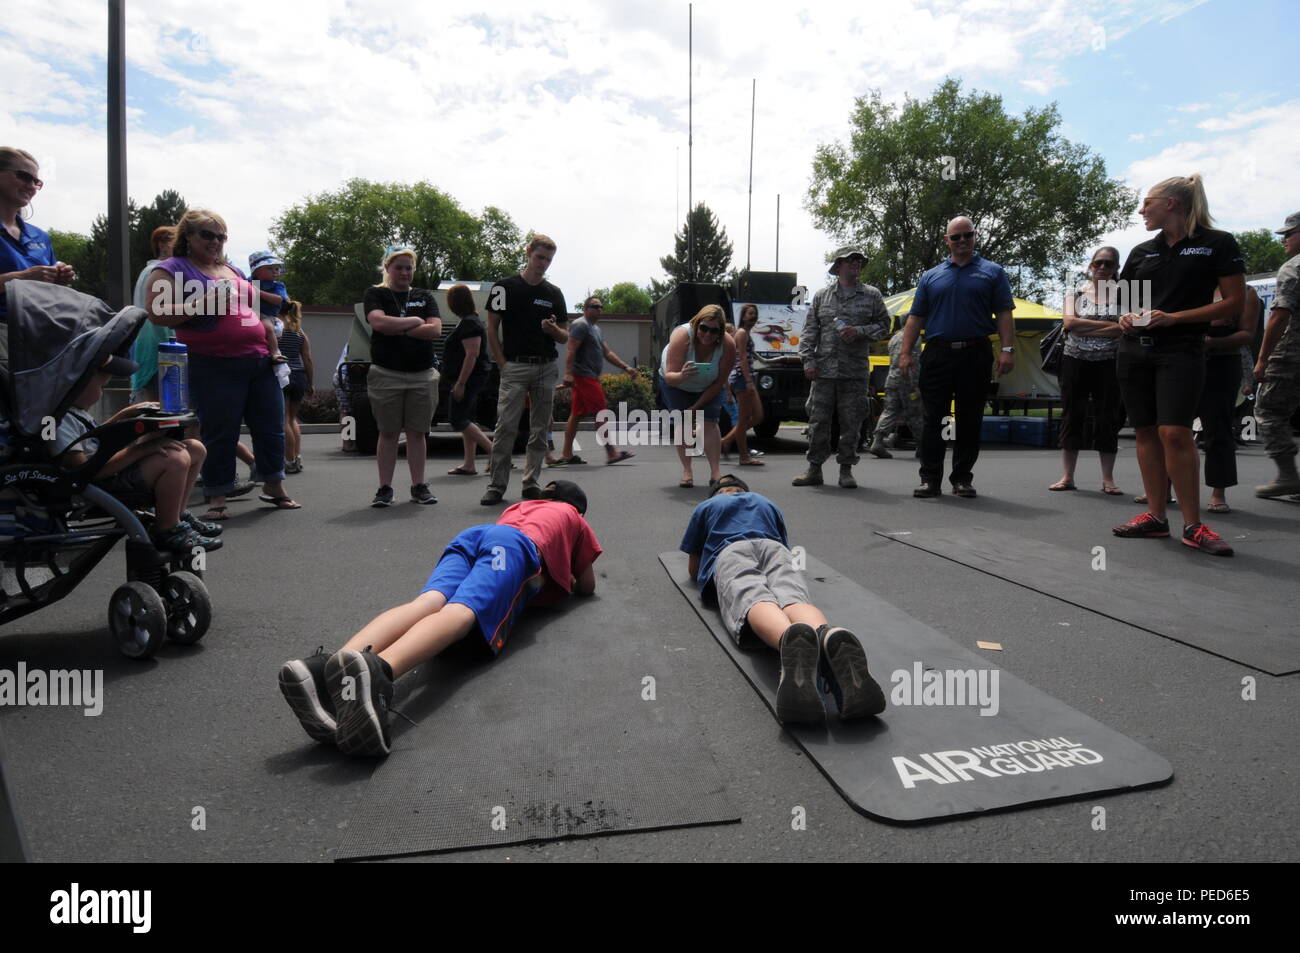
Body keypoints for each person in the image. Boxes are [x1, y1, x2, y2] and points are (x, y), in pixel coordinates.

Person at [278, 480, 601, 756]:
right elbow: (586, 585)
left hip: (473, 536)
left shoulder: (521, 508)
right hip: (513, 548)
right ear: (579, 510)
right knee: (464, 609)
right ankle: (379, 672)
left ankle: (322, 672)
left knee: (427, 603)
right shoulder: (574, 517)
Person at [679, 474, 886, 725]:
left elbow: (694, 565)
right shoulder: (766, 503)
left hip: (730, 551)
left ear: (716, 493)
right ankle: (825, 635)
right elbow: (783, 542)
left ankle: (788, 639)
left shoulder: (707, 506)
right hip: (774, 548)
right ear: (744, 490)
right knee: (792, 597)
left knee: (752, 595)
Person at [1111, 175, 1244, 556]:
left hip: (1182, 349)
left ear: (1170, 203)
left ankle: (1193, 524)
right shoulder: (1141, 251)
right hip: (1134, 351)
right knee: (1145, 431)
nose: (1141, 210)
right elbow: (1125, 302)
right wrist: (1126, 317)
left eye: (1146, 203)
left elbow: (1233, 302)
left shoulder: (1216, 243)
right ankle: (1155, 517)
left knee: (1175, 432)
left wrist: (1174, 318)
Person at [146, 209, 300, 521]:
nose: (215, 241)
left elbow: (251, 309)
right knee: (220, 430)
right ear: (188, 236)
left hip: (259, 360)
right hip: (213, 362)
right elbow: (157, 311)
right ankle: (217, 495)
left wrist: (268, 332)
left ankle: (274, 485)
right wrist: (199, 304)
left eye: (221, 236)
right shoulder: (173, 268)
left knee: (271, 427)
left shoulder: (232, 270)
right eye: (207, 234)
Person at [49, 354, 221, 554]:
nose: (102, 392)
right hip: (101, 483)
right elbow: (85, 470)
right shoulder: (61, 421)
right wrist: (141, 449)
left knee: (195, 448)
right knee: (175, 459)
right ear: (75, 385)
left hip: (111, 472)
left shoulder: (75, 413)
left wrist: (126, 414)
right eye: (101, 387)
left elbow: (93, 438)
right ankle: (167, 528)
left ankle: (178, 514)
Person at [899, 218, 1016, 498]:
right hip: (938, 353)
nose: (962, 240)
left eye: (968, 235)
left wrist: (1007, 350)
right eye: (956, 237)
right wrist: (904, 353)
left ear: (975, 237)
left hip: (975, 352)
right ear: (946, 240)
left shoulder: (993, 272)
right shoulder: (931, 276)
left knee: (969, 418)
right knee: (935, 419)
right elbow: (916, 317)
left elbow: (1004, 313)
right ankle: (930, 479)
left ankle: (962, 478)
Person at [481, 235, 570, 505]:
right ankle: (496, 485)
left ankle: (531, 482)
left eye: (548, 260)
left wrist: (552, 329)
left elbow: (565, 336)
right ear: (529, 252)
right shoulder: (504, 287)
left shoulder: (553, 293)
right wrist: (502, 364)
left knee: (540, 428)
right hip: (514, 366)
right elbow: (491, 329)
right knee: (506, 426)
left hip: (544, 366)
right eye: (540, 257)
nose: (543, 264)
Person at [794, 247, 890, 489]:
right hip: (824, 371)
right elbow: (809, 332)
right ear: (839, 266)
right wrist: (808, 360)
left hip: (854, 372)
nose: (856, 263)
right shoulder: (822, 296)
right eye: (851, 260)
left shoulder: (872, 295)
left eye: (859, 260)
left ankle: (846, 470)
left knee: (852, 422)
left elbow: (885, 326)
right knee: (818, 422)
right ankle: (814, 468)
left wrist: (860, 331)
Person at [363, 245, 442, 507]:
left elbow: (435, 331)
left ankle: (419, 486)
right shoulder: (376, 293)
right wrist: (415, 322)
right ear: (387, 268)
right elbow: (378, 322)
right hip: (386, 374)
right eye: (399, 267)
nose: (405, 272)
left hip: (422, 375)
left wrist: (397, 327)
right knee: (388, 433)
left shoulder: (424, 296)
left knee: (418, 433)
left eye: (409, 267)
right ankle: (384, 488)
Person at [1050, 247, 1126, 494]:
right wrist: (1108, 326)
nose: (1102, 268)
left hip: (1109, 363)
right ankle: (1067, 476)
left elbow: (1125, 329)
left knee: (1108, 416)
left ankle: (1108, 479)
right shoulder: (1076, 292)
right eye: (1098, 263)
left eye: (1108, 263)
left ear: (1117, 268)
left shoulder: (1124, 295)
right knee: (1072, 414)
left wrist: (1087, 327)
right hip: (1075, 360)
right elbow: (1069, 323)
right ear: (1090, 266)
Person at [1196, 284, 1259, 512]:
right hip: (1184, 361)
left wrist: (1211, 341)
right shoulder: (1191, 284)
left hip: (1223, 363)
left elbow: (1247, 334)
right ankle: (1164, 488)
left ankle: (1218, 492)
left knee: (1218, 429)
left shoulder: (1245, 291)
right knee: (1174, 428)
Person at [659, 304, 736, 489]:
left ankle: (715, 473)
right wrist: (682, 375)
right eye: (704, 328)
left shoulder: (728, 345)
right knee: (683, 423)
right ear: (696, 324)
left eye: (714, 330)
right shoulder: (682, 336)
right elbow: (670, 377)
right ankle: (687, 471)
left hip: (708, 386)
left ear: (721, 331)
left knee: (710, 422)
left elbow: (719, 383)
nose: (708, 334)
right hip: (676, 384)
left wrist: (697, 407)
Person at [555, 295, 636, 466]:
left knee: (576, 415)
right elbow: (571, 350)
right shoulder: (580, 325)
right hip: (584, 376)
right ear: (585, 308)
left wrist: (626, 367)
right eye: (594, 306)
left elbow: (607, 353)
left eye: (601, 307)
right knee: (601, 413)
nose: (599, 309)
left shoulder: (596, 329)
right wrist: (568, 373)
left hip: (588, 376)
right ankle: (611, 453)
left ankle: (566, 454)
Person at [1254, 212, 1300, 500]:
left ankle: (1287, 475)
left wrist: (1263, 358)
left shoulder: (1293, 268)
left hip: (1293, 353)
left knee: (1269, 409)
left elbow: (1280, 315)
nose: (1284, 239)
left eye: (1289, 233)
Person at [0, 147, 76, 318]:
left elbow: (50, 293)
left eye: (36, 182)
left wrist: (58, 278)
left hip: (37, 329)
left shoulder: (40, 236)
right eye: (25, 177)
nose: (32, 186)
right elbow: (26, 278)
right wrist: (21, 278)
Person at [440, 283, 495, 476]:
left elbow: (472, 354)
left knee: (458, 418)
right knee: (467, 419)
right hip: (469, 378)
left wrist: (461, 383)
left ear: (454, 303)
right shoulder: (469, 321)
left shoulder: (470, 323)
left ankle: (495, 454)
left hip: (468, 379)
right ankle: (469, 464)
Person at [130, 226, 177, 403]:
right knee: (162, 414)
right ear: (162, 245)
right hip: (161, 352)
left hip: (149, 351)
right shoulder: (160, 271)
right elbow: (162, 314)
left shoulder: (149, 271)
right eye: (176, 242)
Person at [867, 324, 924, 459]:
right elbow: (913, 363)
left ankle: (877, 442)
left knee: (889, 411)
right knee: (916, 413)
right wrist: (916, 384)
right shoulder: (914, 338)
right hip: (907, 380)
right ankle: (923, 446)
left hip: (891, 379)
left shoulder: (894, 338)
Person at [720, 303, 766, 466]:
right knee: (743, 419)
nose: (752, 316)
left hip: (748, 377)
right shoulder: (741, 333)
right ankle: (744, 456)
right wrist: (748, 382)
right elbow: (743, 360)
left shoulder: (745, 333)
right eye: (749, 313)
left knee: (758, 416)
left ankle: (726, 440)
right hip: (742, 378)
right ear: (743, 316)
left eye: (755, 314)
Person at [278, 300, 314, 475]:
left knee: (283, 419)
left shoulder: (277, 328)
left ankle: (289, 460)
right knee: (293, 419)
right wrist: (310, 382)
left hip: (282, 375)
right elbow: (307, 358)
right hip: (299, 375)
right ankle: (296, 457)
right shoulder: (299, 332)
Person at [247, 250, 288, 363]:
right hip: (250, 312)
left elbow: (278, 300)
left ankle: (275, 352)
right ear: (256, 272)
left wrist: (258, 292)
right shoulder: (249, 281)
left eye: (277, 268)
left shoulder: (278, 286)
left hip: (266, 315)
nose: (275, 271)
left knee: (268, 328)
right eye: (270, 268)